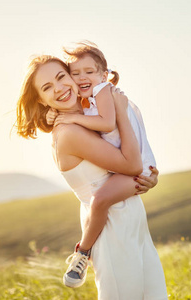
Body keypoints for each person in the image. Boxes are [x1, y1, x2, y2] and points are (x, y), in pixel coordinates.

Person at [16, 55, 167, 299]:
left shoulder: (88, 113)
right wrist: (119, 110)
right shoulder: (70, 133)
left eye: (61, 77)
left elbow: (127, 165)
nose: (59, 88)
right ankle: (81, 253)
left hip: (129, 219)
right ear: (41, 100)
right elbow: (131, 164)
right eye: (47, 87)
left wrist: (149, 178)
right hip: (111, 227)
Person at [46, 41, 158, 287]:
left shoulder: (104, 93)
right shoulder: (91, 101)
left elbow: (106, 124)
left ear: (104, 75)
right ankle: (83, 253)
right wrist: (55, 114)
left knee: (99, 201)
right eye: (75, 74)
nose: (81, 78)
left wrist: (70, 116)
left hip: (138, 168)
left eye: (89, 72)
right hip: (136, 166)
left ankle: (82, 253)